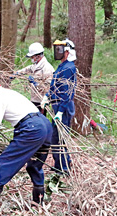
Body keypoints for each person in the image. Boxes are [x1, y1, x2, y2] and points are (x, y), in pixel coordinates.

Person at [0, 71, 53, 205]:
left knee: (5, 161)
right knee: (35, 163)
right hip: (44, 125)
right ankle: (39, 200)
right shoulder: (6, 92)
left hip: (31, 128)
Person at [40, 39, 77, 175]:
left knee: (59, 138)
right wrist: (47, 96)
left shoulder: (69, 68)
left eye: (61, 50)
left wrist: (60, 111)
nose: (58, 53)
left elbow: (67, 92)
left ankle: (63, 168)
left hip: (64, 108)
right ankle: (61, 163)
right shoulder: (62, 66)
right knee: (55, 137)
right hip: (57, 105)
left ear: (67, 52)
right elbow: (55, 85)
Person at [14, 42, 54, 115]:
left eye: (32, 57)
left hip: (41, 101)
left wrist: (36, 84)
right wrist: (17, 73)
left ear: (38, 56)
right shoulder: (36, 64)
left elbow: (49, 87)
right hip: (34, 98)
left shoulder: (47, 68)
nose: (31, 59)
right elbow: (28, 69)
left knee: (40, 120)